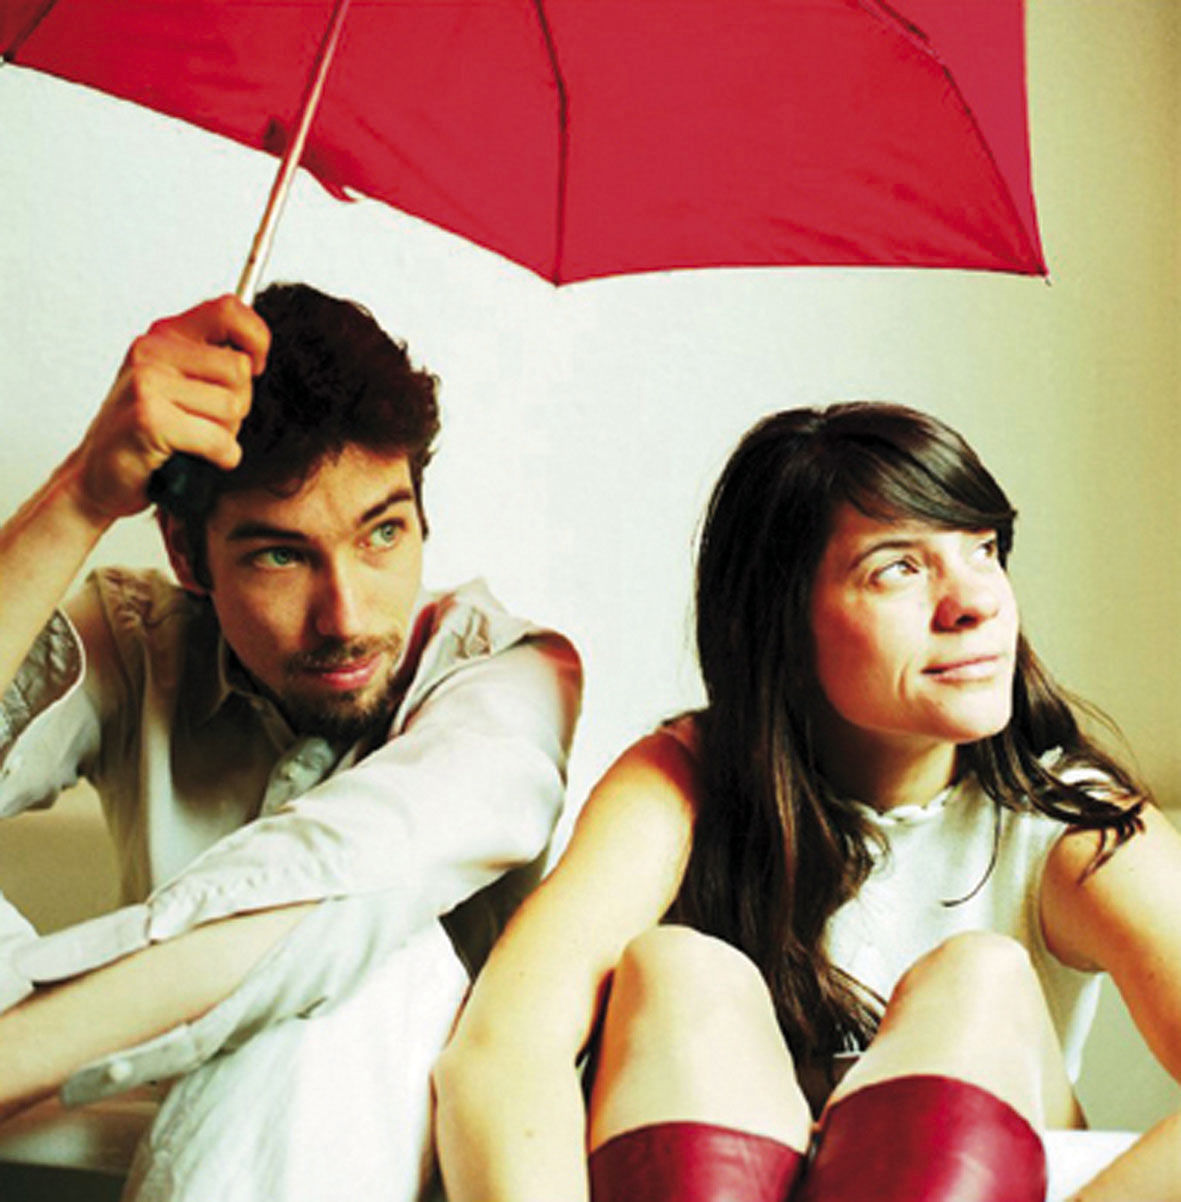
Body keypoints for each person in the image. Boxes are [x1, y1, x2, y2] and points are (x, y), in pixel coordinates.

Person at [434, 403, 1181, 1202]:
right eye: (897, 568)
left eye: (983, 550)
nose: (975, 602)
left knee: (977, 980)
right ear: (781, 626)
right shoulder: (681, 783)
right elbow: (502, 1048)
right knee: (677, 971)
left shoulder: (1072, 826)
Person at [0, 284, 581, 1201]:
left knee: (369, 965)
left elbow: (343, 882)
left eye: (382, 532)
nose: (344, 617)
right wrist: (81, 496)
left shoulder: (508, 676)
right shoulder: (140, 640)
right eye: (281, 555)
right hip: (148, 1124)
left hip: (373, 1140)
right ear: (186, 554)